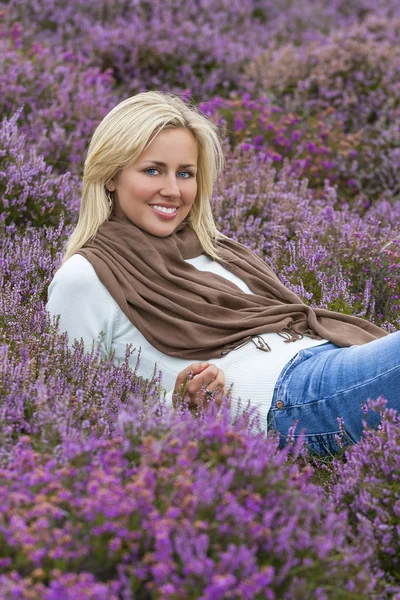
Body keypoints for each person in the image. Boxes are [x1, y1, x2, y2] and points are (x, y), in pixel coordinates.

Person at [46, 90, 399, 456]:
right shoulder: (85, 277)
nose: (172, 190)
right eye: (152, 170)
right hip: (291, 401)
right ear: (111, 176)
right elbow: (70, 408)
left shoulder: (218, 249)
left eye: (185, 174)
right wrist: (177, 405)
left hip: (330, 361)